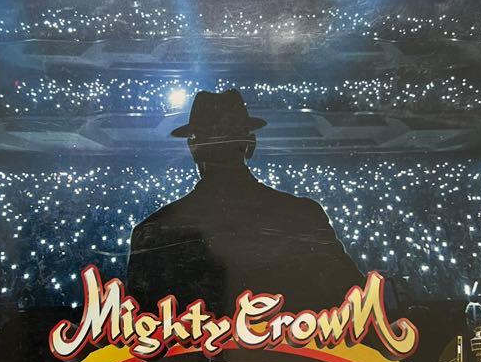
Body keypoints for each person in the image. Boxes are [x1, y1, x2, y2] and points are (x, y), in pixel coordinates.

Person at [126, 89, 365, 316]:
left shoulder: (152, 231)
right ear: (250, 144)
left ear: (194, 149)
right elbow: (357, 304)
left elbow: (139, 328)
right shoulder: (303, 215)